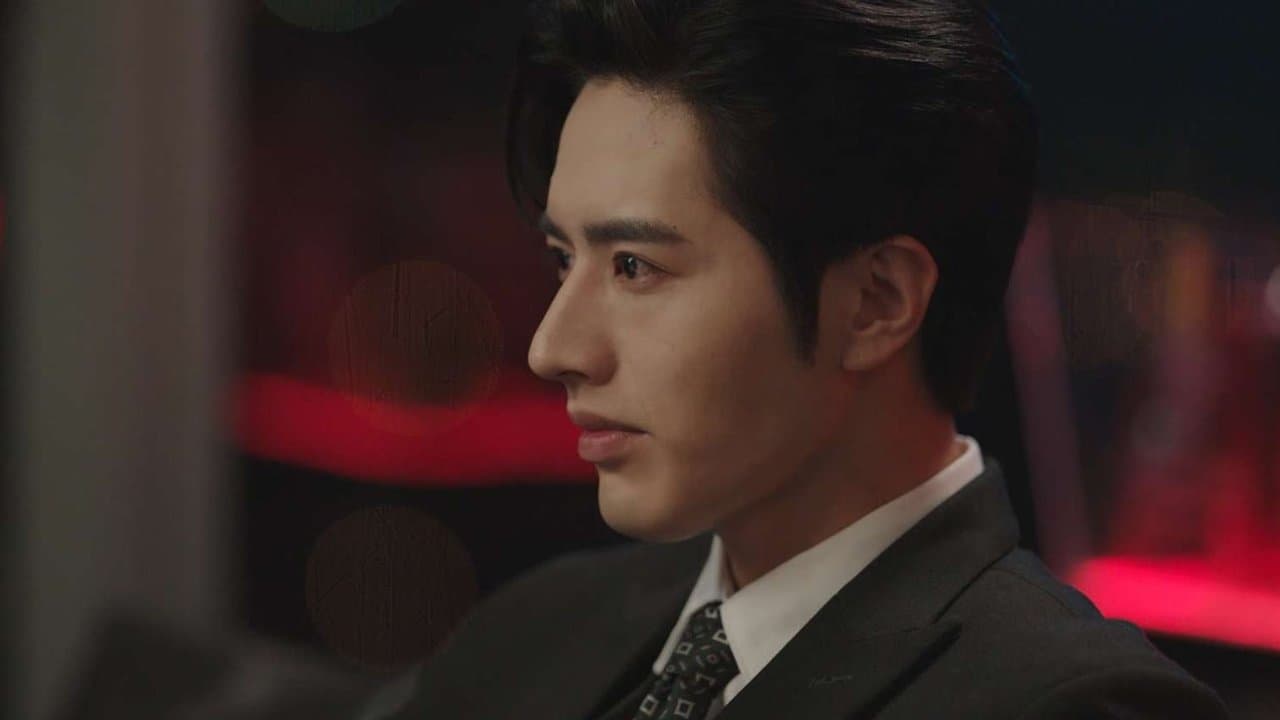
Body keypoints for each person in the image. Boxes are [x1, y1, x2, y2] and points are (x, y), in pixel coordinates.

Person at [380, 1, 1231, 718]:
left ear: (877, 303)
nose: (552, 348)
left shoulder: (1064, 703)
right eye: (564, 260)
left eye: (635, 267)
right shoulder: (536, 630)